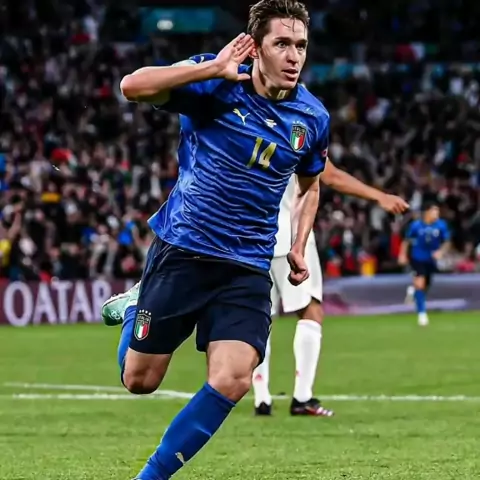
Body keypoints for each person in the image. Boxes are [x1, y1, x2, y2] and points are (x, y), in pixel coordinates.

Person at [107, 1, 408, 478]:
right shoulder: (217, 81)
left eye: (301, 45)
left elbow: (310, 185)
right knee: (140, 381)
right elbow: (132, 86)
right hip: (185, 251)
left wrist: (298, 243)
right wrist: (211, 68)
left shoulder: (311, 116)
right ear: (256, 47)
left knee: (233, 378)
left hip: (247, 265)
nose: (293, 56)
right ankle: (133, 308)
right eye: (281, 44)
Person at [252, 175, 333, 417]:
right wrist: (379, 196)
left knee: (260, 318)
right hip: (291, 237)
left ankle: (261, 398)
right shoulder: (299, 148)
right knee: (311, 312)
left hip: (254, 241)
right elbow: (330, 175)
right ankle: (302, 397)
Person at [399, 202, 450, 326]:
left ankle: (413, 291)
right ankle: (422, 314)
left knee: (426, 284)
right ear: (427, 212)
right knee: (420, 283)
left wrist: (441, 251)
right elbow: (406, 241)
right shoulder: (416, 226)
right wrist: (402, 255)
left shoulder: (441, 225)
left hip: (431, 259)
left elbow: (447, 242)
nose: (437, 213)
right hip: (418, 258)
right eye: (434, 211)